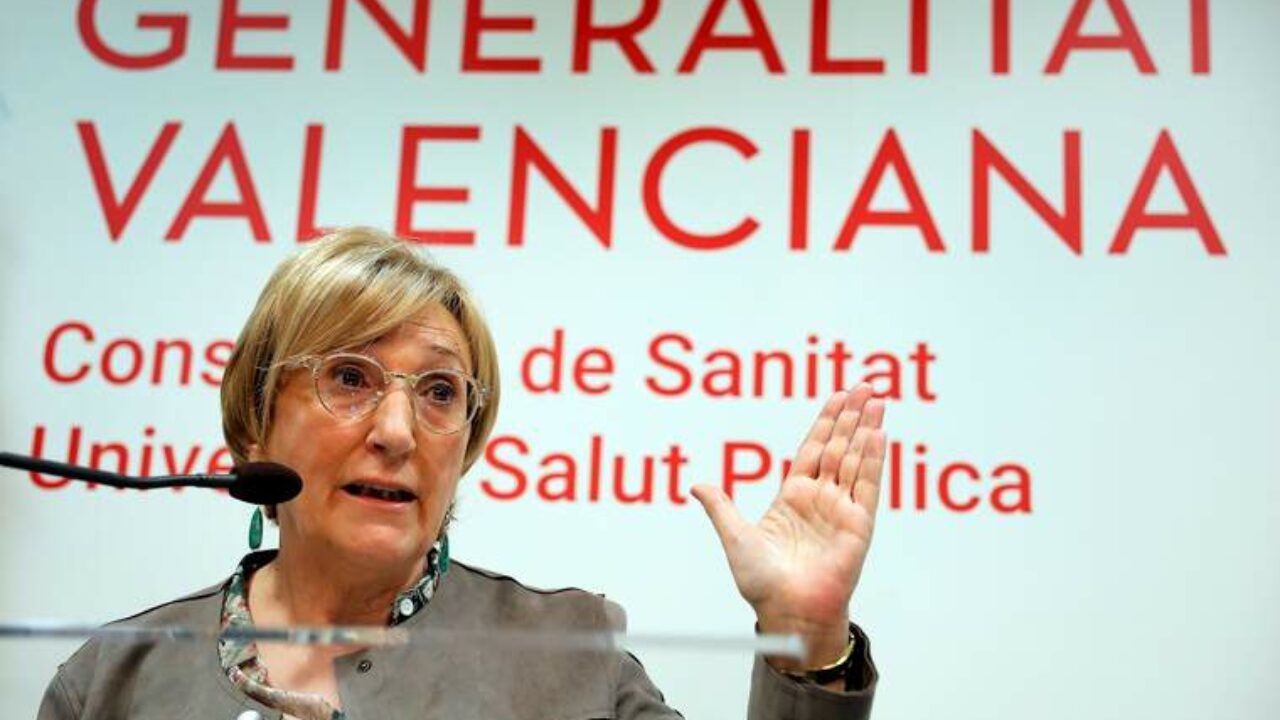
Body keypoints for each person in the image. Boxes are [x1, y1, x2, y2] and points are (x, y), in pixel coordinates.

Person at [38, 227, 887, 719]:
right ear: (257, 413)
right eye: (349, 378)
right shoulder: (113, 680)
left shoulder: (568, 659)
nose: (397, 431)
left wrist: (806, 643)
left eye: (440, 391)